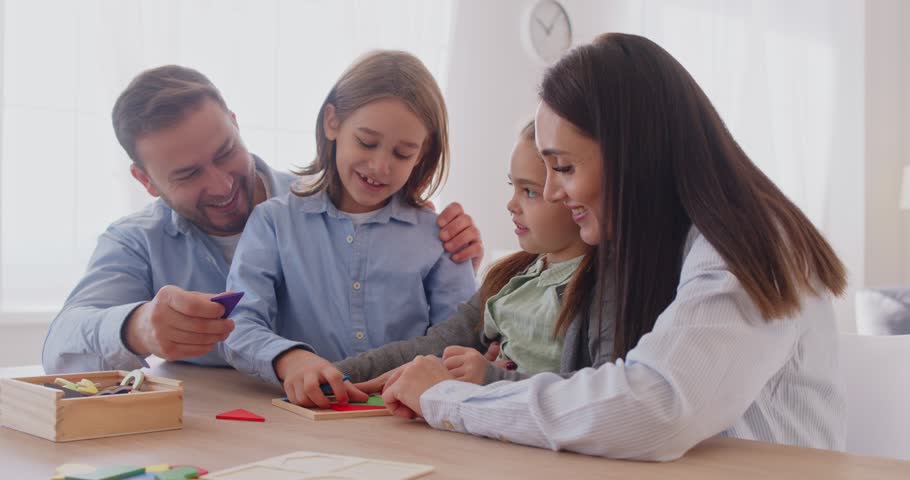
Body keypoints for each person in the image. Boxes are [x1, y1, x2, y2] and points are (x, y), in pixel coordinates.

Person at [380, 33, 848, 461]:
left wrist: (448, 398)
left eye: (562, 167)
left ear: (631, 154)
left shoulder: (753, 241)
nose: (554, 194)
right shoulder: (649, 251)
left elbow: (655, 407)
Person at [42, 65, 483, 374]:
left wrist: (454, 255)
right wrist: (136, 327)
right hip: (221, 426)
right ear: (146, 181)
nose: (220, 185)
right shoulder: (136, 242)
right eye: (188, 174)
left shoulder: (339, 202)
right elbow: (60, 345)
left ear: (235, 124)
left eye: (224, 152)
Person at [222, 51, 477, 405]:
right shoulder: (274, 223)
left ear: (422, 153)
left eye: (402, 154)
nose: (380, 166)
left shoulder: (439, 237)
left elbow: (462, 339)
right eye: (367, 142)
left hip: (408, 417)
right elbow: (237, 325)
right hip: (304, 416)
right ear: (332, 122)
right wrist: (290, 360)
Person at [331, 121, 608, 396]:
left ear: (574, 194)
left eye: (530, 192)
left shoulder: (601, 289)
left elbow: (602, 392)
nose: (511, 205)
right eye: (513, 186)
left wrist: (490, 379)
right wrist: (335, 373)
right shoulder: (509, 278)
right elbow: (436, 345)